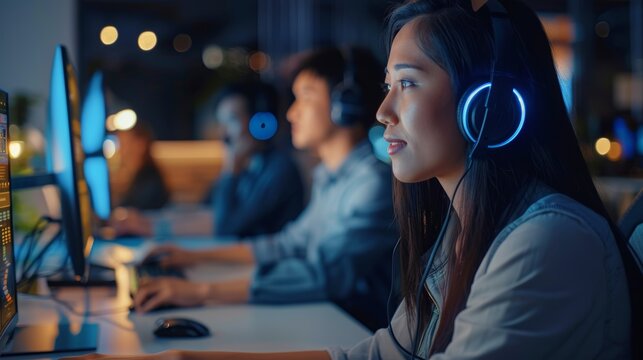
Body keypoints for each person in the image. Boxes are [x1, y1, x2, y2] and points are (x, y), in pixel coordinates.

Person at [70, 0, 639, 359]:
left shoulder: (547, 241)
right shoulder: (464, 228)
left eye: (408, 84)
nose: (382, 111)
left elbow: (322, 271)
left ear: (486, 105)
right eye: (387, 85)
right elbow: (382, 352)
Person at [132, 47, 398, 331]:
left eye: (305, 97)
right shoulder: (330, 178)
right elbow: (289, 243)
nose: (292, 113)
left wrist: (199, 291)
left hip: (355, 330)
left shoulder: (371, 184)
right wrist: (192, 257)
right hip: (322, 315)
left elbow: (323, 274)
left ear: (346, 103)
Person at [110, 81, 305, 238]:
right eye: (222, 123)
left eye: (231, 120)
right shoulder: (249, 168)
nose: (224, 134)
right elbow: (206, 210)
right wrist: (147, 221)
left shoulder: (279, 171)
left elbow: (226, 227)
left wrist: (230, 170)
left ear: (261, 124)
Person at [112, 120, 170, 210]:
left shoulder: (149, 182)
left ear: (141, 144)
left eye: (124, 143)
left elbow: (136, 211)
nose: (120, 150)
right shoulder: (136, 177)